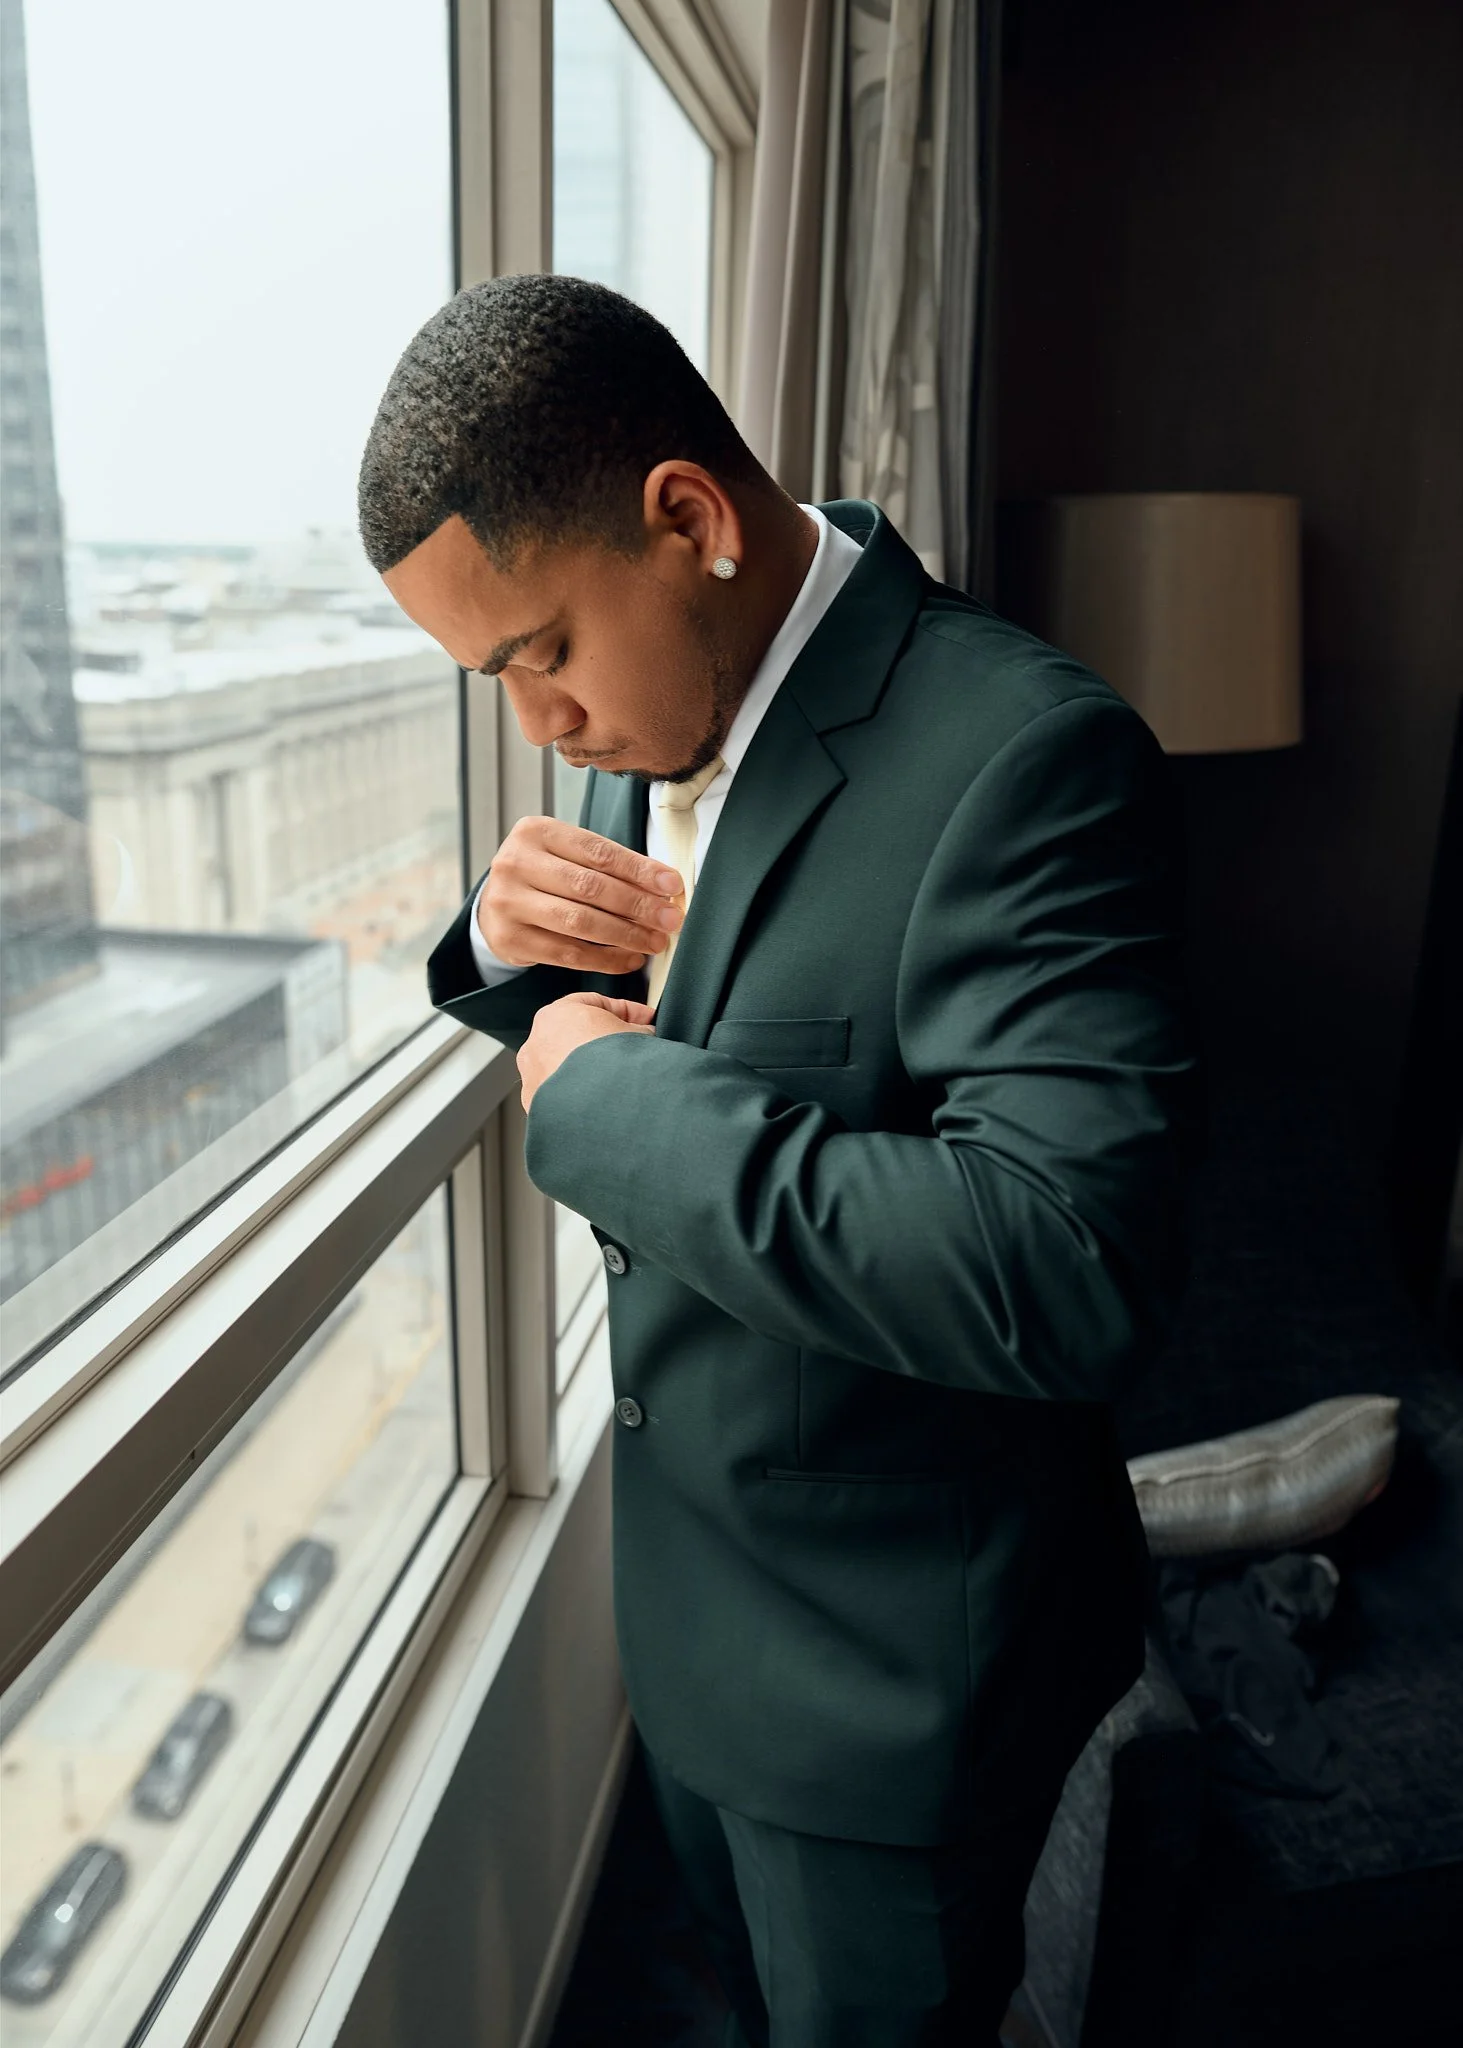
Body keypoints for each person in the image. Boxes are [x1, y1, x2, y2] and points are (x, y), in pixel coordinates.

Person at [358, 273, 1204, 2047]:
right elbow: (659, 994)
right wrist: (518, 951)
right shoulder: (651, 699)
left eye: (539, 656)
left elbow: (1067, 1266)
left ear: (687, 520)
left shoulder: (1029, 759)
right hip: (692, 1623)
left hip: (897, 1688)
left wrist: (592, 1099)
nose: (540, 726)